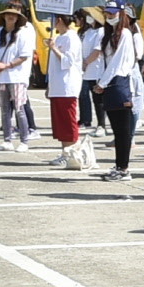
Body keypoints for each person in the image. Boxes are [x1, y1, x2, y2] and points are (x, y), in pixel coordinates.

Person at [84, 2, 141, 180]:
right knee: (117, 129)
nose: (109, 16)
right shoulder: (109, 35)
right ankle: (119, 166)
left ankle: (124, 169)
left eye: (113, 13)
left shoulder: (125, 33)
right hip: (110, 83)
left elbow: (118, 63)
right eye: (107, 13)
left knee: (123, 130)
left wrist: (103, 82)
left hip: (119, 82)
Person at [43, 10, 89, 170]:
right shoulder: (58, 37)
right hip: (57, 86)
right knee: (60, 123)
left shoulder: (72, 38)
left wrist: (54, 48)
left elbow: (68, 61)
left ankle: (73, 153)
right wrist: (49, 85)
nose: (52, 22)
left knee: (68, 121)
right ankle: (65, 153)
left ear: (60, 20)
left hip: (67, 85)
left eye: (54, 19)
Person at [0, 6, 36, 150]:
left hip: (17, 77)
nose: (10, 17)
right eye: (8, 14)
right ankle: (7, 140)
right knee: (5, 110)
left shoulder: (23, 33)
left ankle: (24, 141)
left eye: (14, 15)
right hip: (2, 78)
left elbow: (24, 56)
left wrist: (7, 65)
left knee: (19, 109)